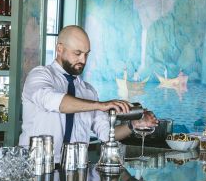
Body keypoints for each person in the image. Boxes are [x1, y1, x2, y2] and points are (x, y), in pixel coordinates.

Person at [19, 25, 158, 160]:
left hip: (75, 170)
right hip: (36, 168)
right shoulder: (39, 75)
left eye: (86, 54)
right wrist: (100, 105)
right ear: (59, 49)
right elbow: (54, 101)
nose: (83, 60)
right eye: (77, 53)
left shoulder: (88, 91)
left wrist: (133, 125)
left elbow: (106, 134)